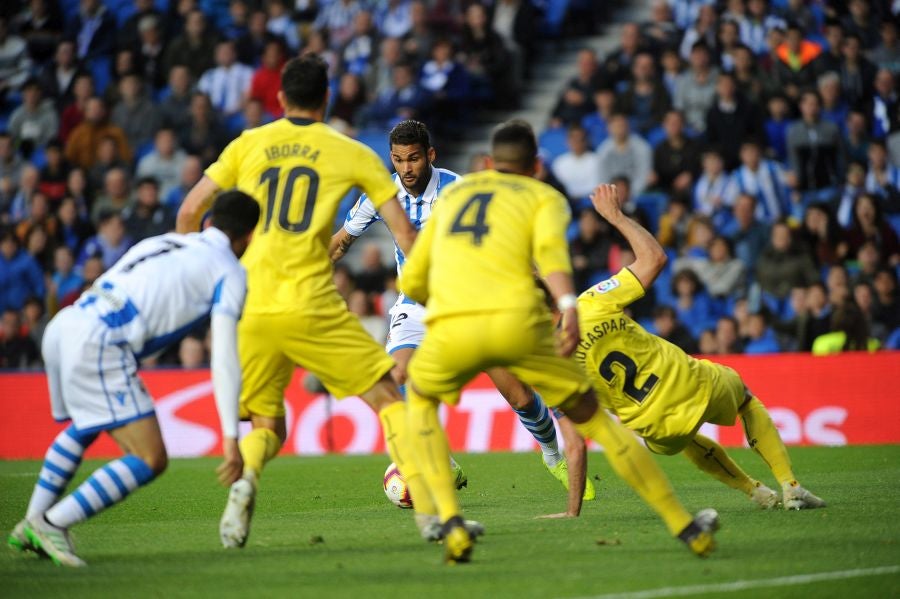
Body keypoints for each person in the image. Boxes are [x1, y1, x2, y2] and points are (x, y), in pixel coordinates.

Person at [398, 121, 719, 564]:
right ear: (535, 166)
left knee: (417, 405)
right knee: (598, 425)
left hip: (454, 325)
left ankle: (452, 524)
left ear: (489, 164)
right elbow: (551, 261)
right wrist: (568, 305)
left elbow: (413, 280)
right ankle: (683, 526)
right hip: (520, 326)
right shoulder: (543, 196)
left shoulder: (452, 196)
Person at [176, 55, 420, 550]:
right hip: (312, 302)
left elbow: (188, 212)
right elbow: (406, 237)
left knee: (268, 423)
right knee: (387, 399)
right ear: (327, 98)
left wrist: (206, 276)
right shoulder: (348, 150)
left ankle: (246, 482)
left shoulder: (248, 144)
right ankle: (435, 511)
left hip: (250, 305)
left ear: (280, 99)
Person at [330, 120, 595, 508]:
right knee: (398, 375)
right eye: (399, 160)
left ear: (430, 156)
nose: (406, 169)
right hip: (415, 306)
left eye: (414, 159)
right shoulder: (381, 193)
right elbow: (339, 244)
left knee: (519, 394)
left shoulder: (459, 189)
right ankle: (441, 462)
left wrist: (543, 287)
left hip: (468, 304)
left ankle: (552, 455)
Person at [6, 191, 260, 567]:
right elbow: (223, 356)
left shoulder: (164, 241)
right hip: (102, 343)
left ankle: (30, 520)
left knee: (86, 423)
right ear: (249, 237)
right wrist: (230, 435)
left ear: (208, 222)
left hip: (67, 323)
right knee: (150, 457)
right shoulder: (230, 271)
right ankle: (50, 523)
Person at [571, 183, 825, 514]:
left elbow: (575, 440)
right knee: (744, 398)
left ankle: (752, 490)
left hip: (653, 426)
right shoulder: (590, 302)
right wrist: (616, 216)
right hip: (686, 381)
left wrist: (572, 510)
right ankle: (790, 486)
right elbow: (655, 258)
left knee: (685, 436)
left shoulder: (546, 361)